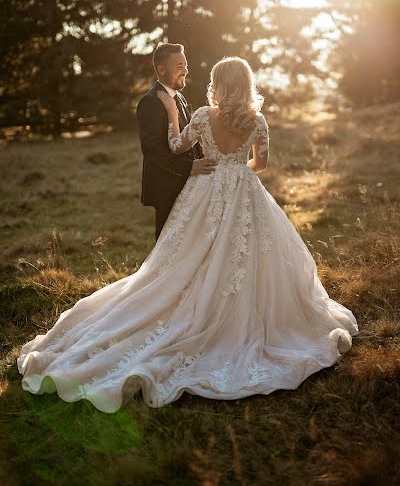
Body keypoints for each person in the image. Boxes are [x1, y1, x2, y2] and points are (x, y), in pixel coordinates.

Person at [16, 56, 359, 414]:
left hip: (205, 188)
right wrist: (236, 169)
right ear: (247, 84)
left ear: (218, 85)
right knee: (250, 255)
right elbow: (262, 164)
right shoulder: (258, 122)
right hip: (245, 190)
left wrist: (172, 114)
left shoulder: (200, 116)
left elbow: (175, 145)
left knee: (187, 256)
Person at [136, 42, 217, 240]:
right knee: (166, 245)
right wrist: (190, 167)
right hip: (166, 187)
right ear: (161, 69)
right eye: (179, 67)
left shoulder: (180, 98)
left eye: (186, 65)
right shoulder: (150, 102)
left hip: (189, 185)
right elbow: (152, 149)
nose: (185, 71)